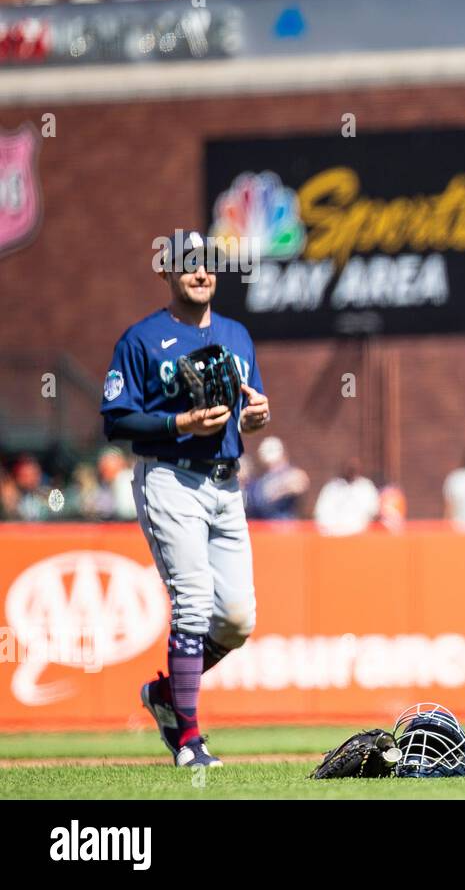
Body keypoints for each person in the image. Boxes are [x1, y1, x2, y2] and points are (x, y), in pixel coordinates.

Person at [102, 230, 270, 768]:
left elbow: (249, 406)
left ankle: (168, 697)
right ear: (166, 272)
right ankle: (190, 740)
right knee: (194, 602)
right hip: (170, 478)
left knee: (238, 620)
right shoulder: (141, 339)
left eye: (207, 265)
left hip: (226, 482)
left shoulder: (237, 334)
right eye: (186, 265)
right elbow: (116, 419)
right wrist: (180, 421)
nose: (199, 273)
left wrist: (257, 415)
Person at [244, 435, 309, 520]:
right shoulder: (263, 479)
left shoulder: (293, 473)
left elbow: (300, 483)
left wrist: (277, 489)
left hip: (285, 526)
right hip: (264, 527)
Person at [313, 458, 380, 536]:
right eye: (349, 468)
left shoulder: (366, 487)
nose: (350, 471)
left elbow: (373, 510)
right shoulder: (332, 487)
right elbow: (321, 511)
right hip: (333, 533)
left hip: (360, 534)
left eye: (353, 468)